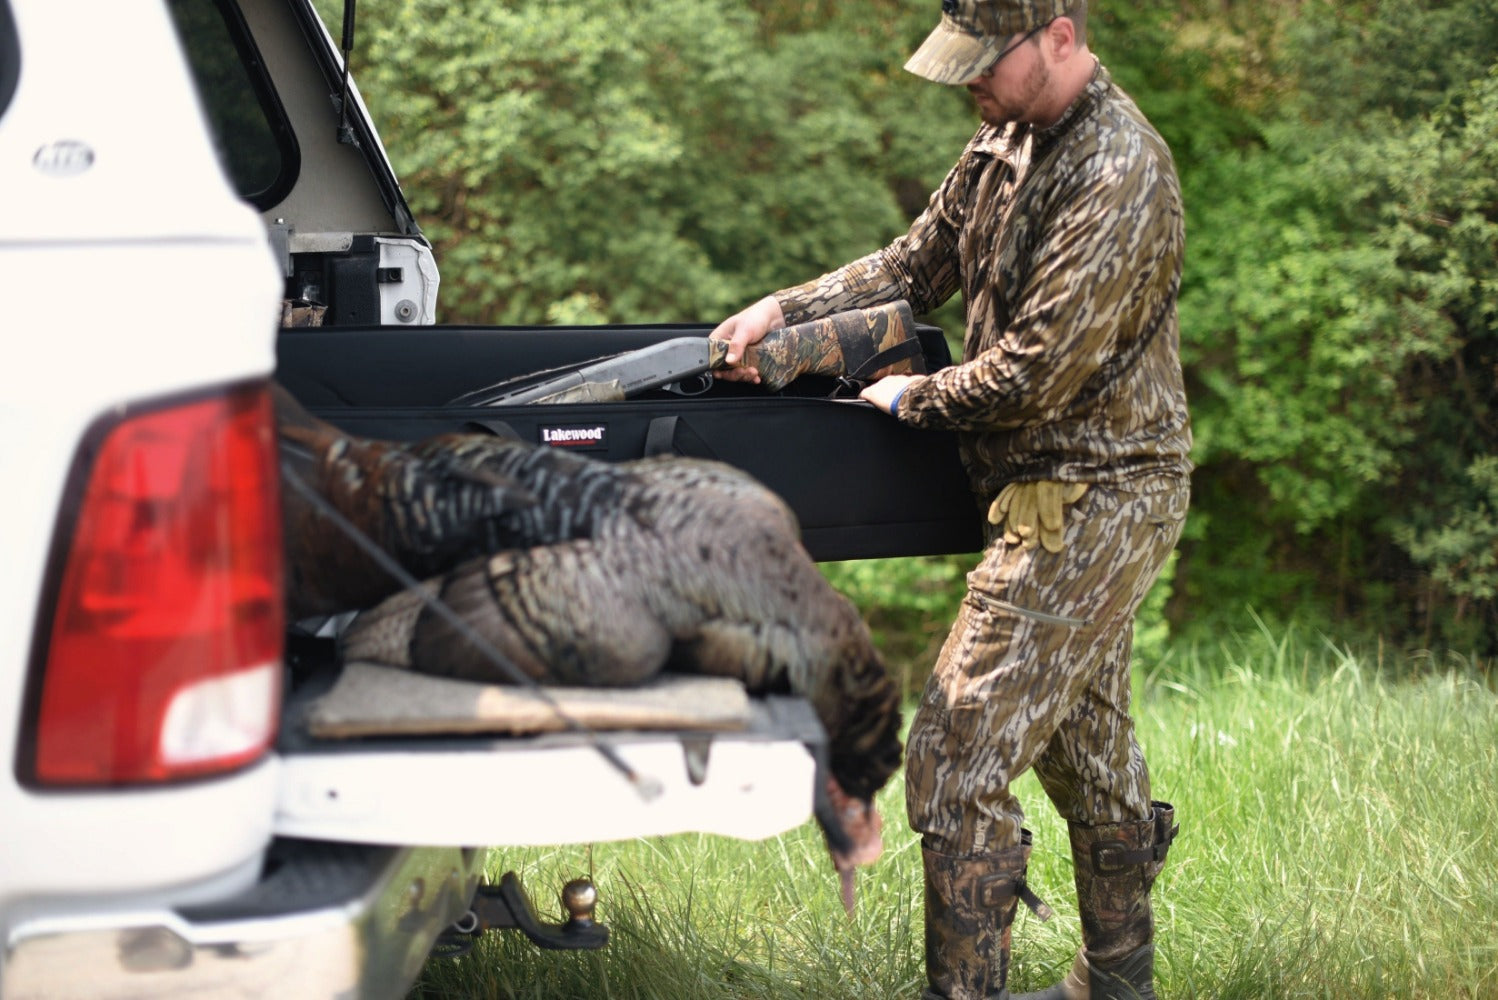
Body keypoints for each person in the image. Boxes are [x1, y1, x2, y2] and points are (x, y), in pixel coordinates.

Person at [711, 1, 1191, 997]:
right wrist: (784, 309)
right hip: (1036, 486)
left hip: (1098, 492)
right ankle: (1119, 983)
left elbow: (1033, 372)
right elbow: (913, 264)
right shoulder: (1004, 137)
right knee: (1086, 752)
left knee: (956, 750)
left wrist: (912, 397)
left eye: (984, 60)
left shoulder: (1118, 169)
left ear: (1059, 36)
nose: (965, 78)